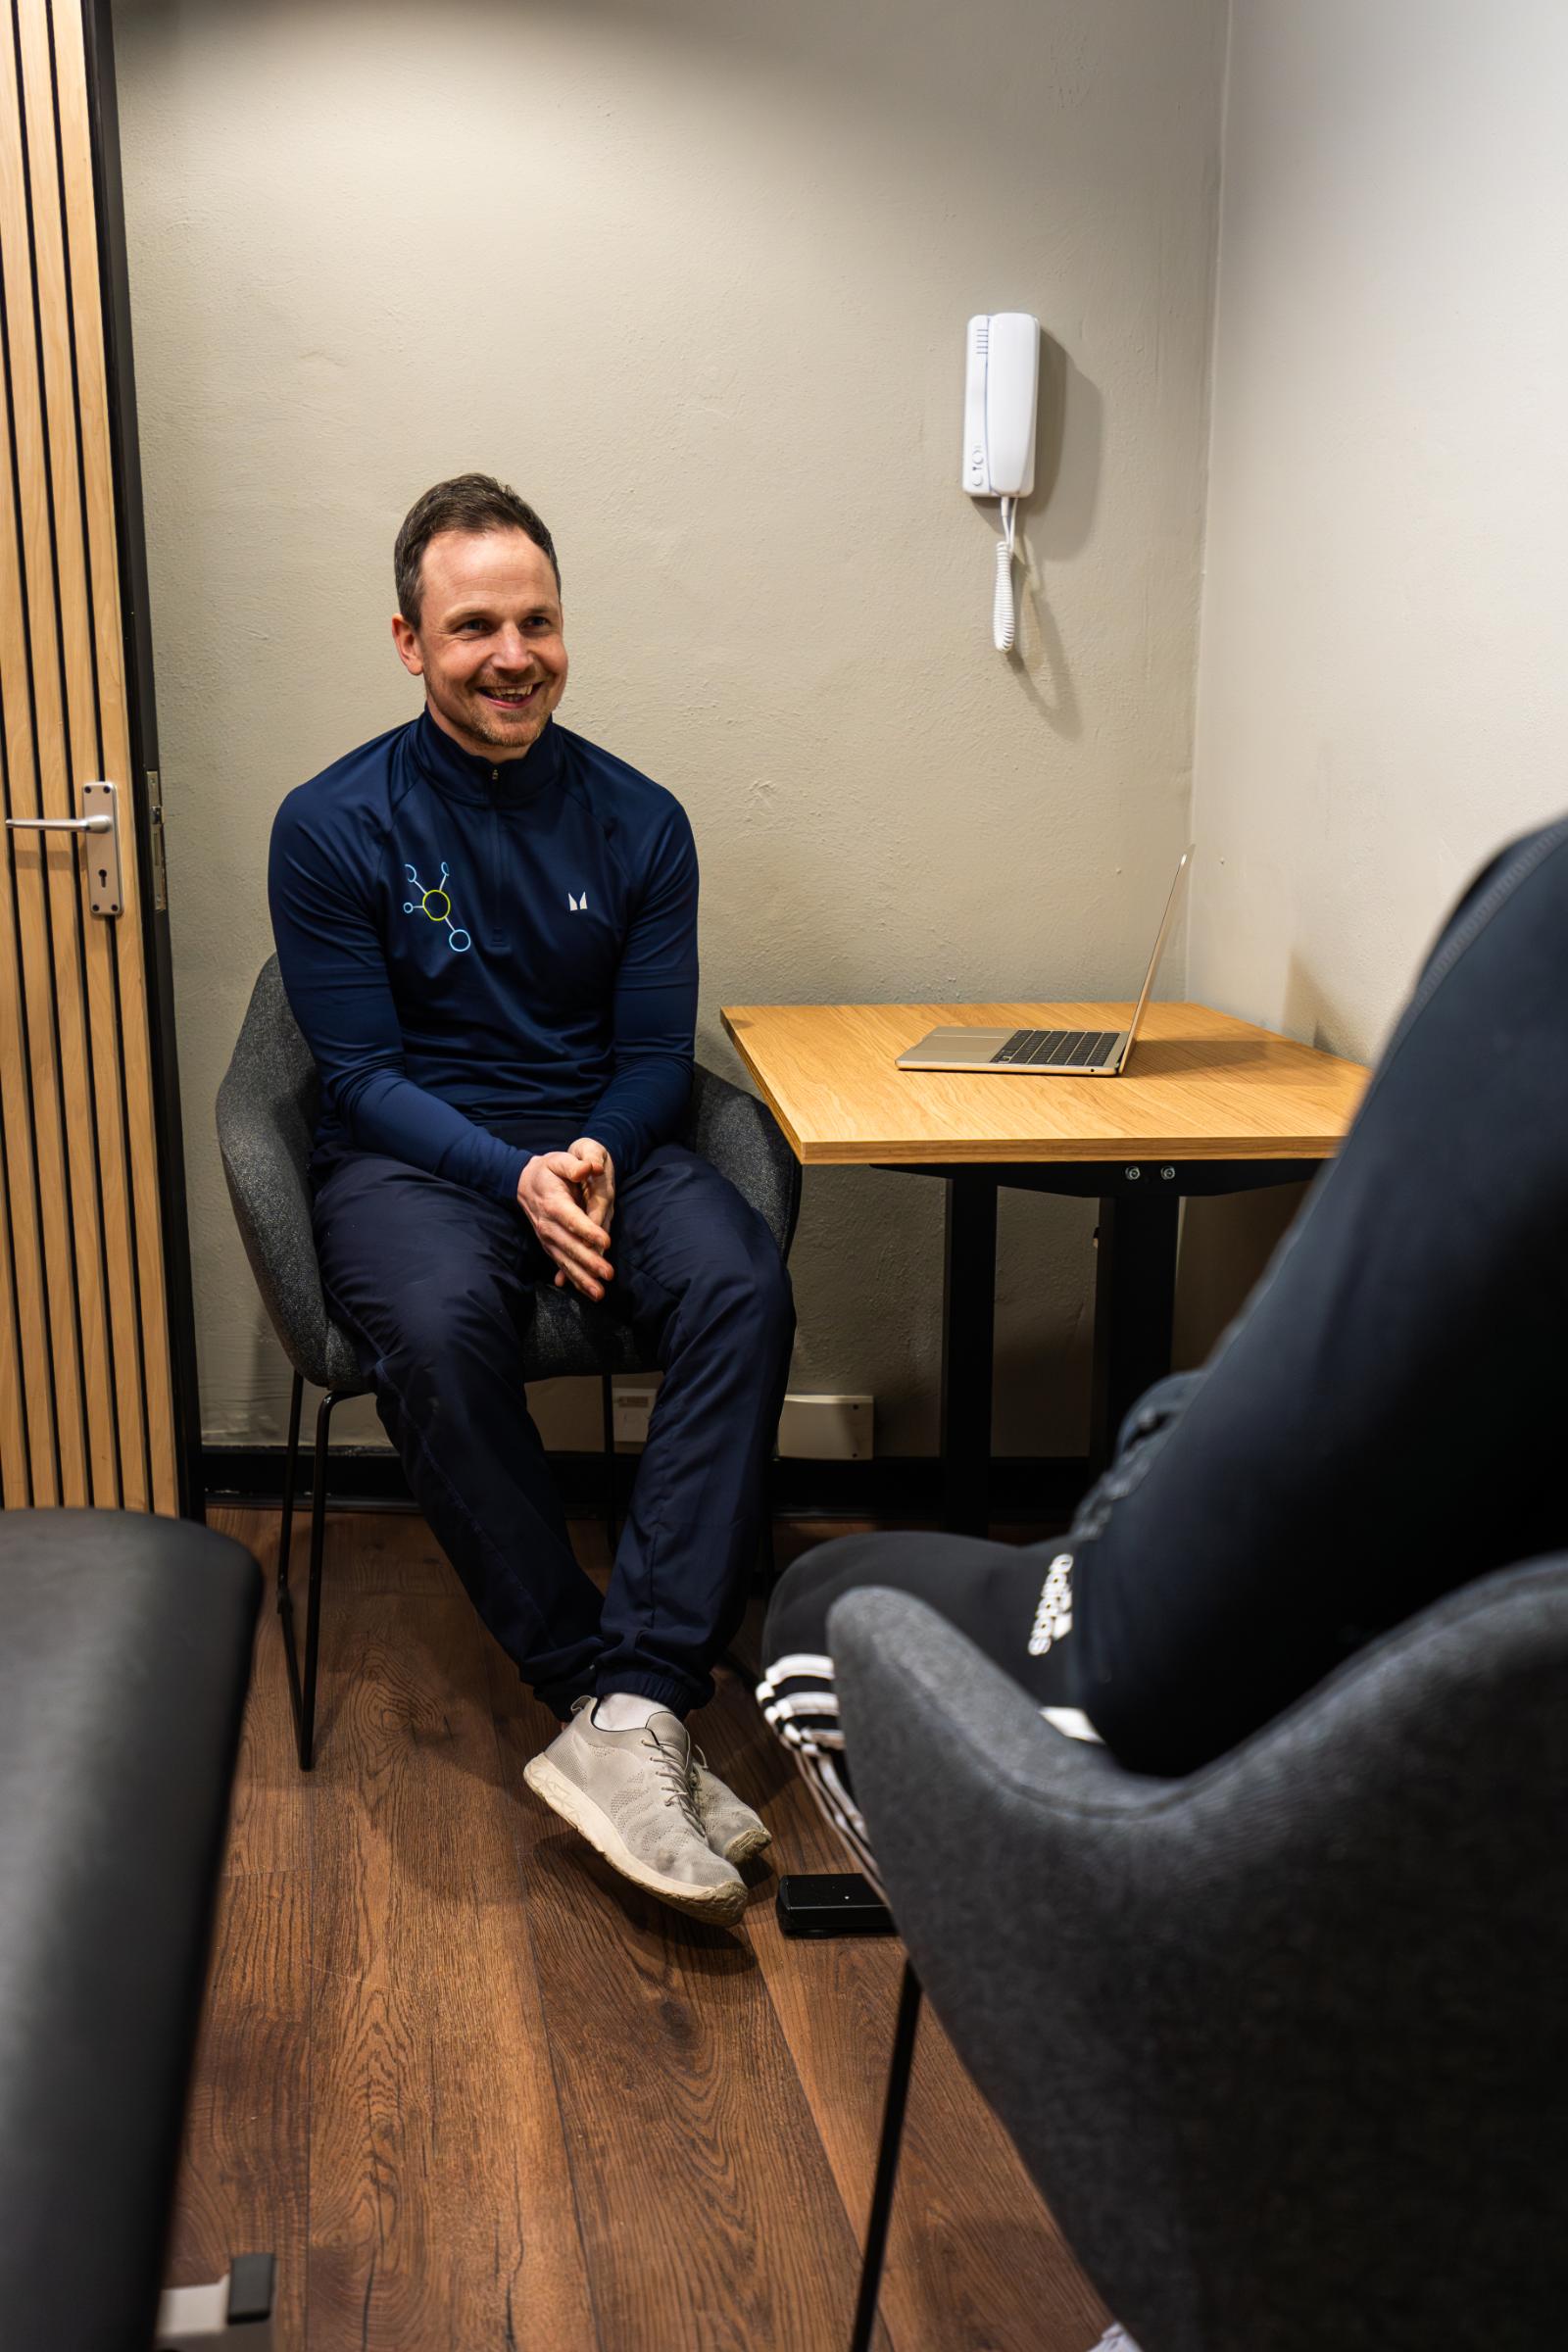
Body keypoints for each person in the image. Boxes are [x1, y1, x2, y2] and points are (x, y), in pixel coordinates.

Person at [759, 813, 1568, 1879]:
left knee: (819, 1599)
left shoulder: (1541, 931)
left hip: (1203, 1735)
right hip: (1465, 1768)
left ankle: (1039, 1946)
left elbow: (1298, 1453)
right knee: (1172, 1410)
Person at [270, 473, 794, 1926]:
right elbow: (357, 1075)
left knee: (742, 1281)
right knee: (435, 1330)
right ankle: (604, 1696)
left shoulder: (643, 819)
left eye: (538, 620)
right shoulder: (330, 825)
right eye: (474, 625)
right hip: (411, 1162)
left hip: (598, 1145)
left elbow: (650, 1057)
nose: (514, 654)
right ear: (408, 639)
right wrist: (504, 1173)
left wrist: (594, 1156)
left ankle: (636, 1703)